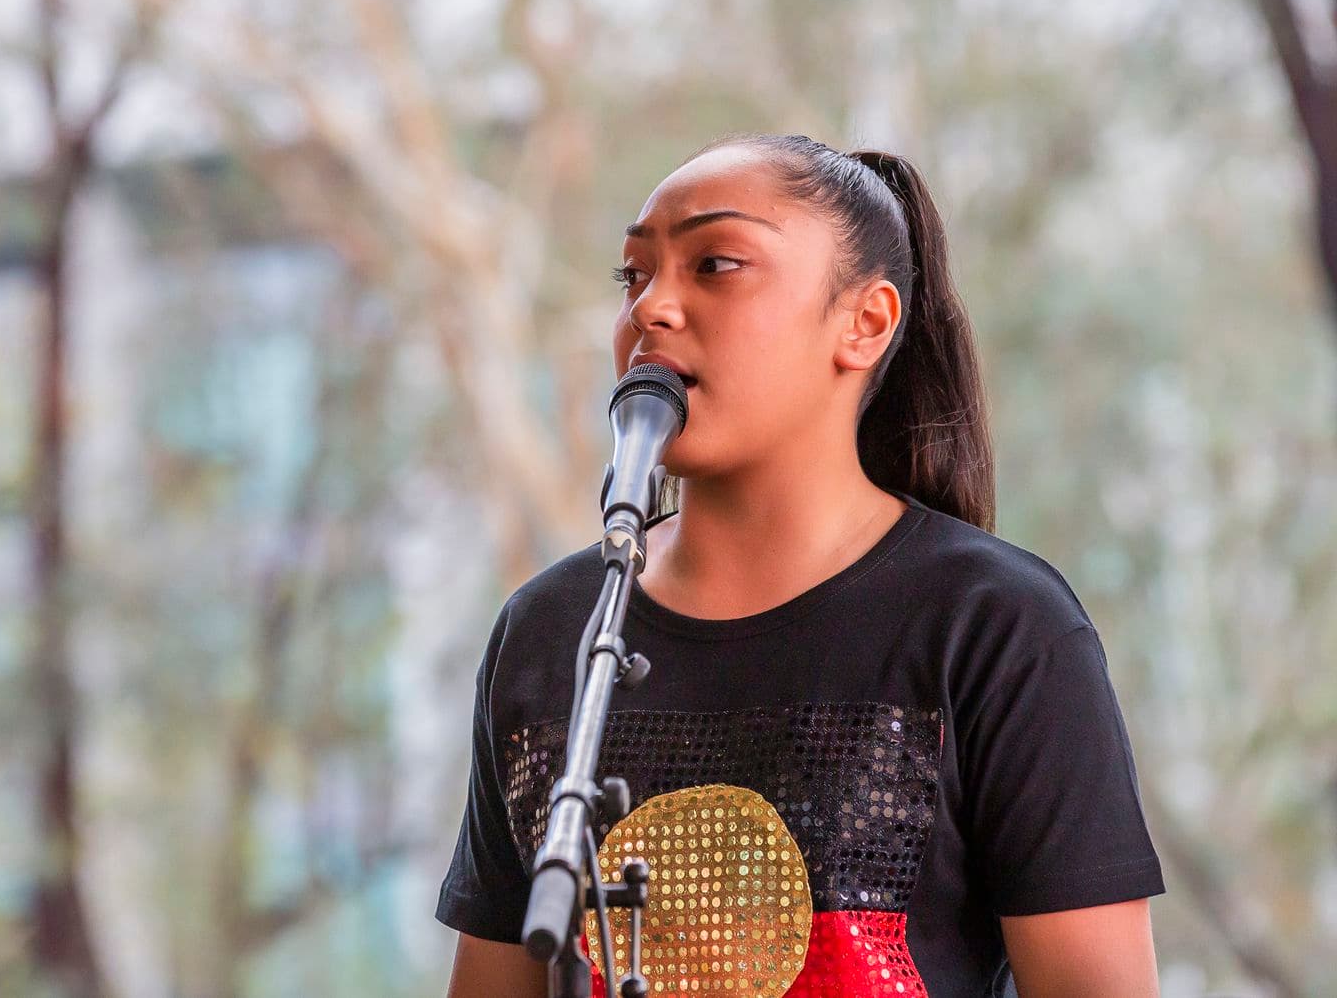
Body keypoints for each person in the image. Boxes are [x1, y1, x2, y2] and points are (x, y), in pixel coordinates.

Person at [435, 132, 1165, 997]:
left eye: (715, 264)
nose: (651, 310)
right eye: (634, 275)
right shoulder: (551, 629)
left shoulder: (997, 624)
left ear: (866, 323)